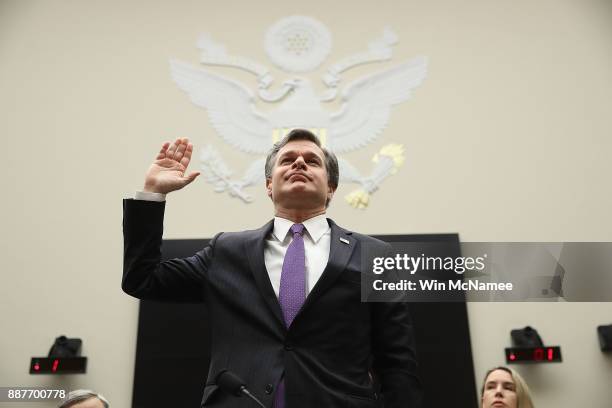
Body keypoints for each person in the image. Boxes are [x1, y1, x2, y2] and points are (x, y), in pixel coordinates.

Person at [122, 129, 422, 407]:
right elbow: (142, 279)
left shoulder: (373, 255)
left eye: (312, 161)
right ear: (269, 185)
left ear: (331, 188)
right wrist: (152, 194)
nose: (299, 164)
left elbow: (397, 362)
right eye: (288, 160)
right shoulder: (226, 250)